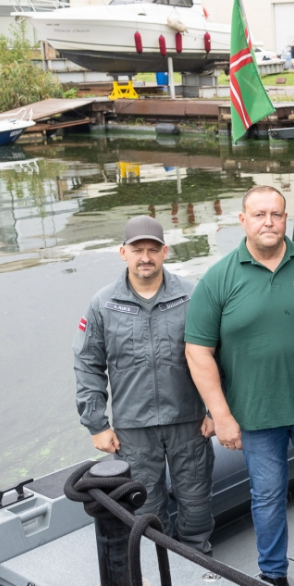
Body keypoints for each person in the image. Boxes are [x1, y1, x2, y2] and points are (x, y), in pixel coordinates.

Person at [184, 186, 294, 586]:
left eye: (276, 214)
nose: (269, 223)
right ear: (242, 220)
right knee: (269, 495)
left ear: (285, 218)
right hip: (256, 415)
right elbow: (198, 350)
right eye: (259, 215)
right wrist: (220, 414)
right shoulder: (219, 278)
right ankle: (273, 574)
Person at [74, 215, 215, 552]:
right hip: (133, 430)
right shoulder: (103, 305)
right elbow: (88, 365)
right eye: (138, 250)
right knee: (146, 510)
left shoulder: (193, 296)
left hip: (189, 423)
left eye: (153, 249)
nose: (146, 257)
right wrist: (96, 423)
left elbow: (218, 356)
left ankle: (198, 562)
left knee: (196, 506)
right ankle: (159, 569)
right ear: (123, 252)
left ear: (165, 251)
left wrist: (215, 410)